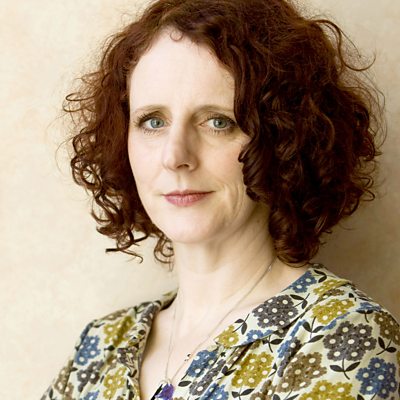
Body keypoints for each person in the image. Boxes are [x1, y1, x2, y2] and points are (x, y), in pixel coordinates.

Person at [42, 0, 400, 399]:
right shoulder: (100, 349)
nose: (175, 156)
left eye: (218, 122)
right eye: (153, 122)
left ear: (283, 137)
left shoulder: (342, 334)